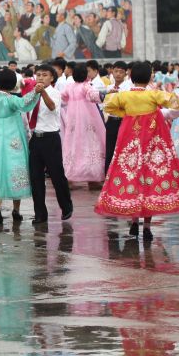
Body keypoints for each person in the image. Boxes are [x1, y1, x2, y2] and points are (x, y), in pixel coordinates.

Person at [96, 62, 179, 241]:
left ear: (131, 77)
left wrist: (125, 112)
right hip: (151, 142)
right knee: (150, 178)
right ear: (150, 76)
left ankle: (134, 222)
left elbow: (108, 105)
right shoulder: (153, 94)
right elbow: (174, 102)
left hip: (130, 141)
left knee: (131, 175)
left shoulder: (124, 96)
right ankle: (147, 227)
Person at [0, 69, 43, 223]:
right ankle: (16, 210)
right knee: (16, 169)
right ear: (13, 84)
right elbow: (24, 103)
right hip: (13, 140)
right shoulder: (11, 100)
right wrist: (36, 92)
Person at [28, 65, 73, 224]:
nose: (40, 78)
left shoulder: (55, 93)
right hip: (35, 138)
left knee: (56, 175)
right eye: (38, 75)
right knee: (35, 178)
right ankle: (40, 213)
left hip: (50, 138)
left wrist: (43, 92)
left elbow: (52, 107)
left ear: (52, 78)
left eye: (44, 75)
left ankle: (66, 206)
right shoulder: (32, 93)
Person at [61, 64, 106, 185]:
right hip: (88, 119)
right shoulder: (86, 86)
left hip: (73, 120)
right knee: (91, 143)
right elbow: (94, 96)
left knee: (73, 144)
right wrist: (106, 94)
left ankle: (70, 179)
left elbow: (63, 98)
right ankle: (93, 180)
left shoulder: (69, 87)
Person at [104, 61, 130, 175]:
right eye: (116, 71)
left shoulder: (128, 88)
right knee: (109, 148)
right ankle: (108, 175)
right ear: (112, 72)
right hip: (111, 120)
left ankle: (122, 174)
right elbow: (104, 105)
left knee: (123, 148)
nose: (118, 74)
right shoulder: (109, 87)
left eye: (121, 72)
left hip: (123, 121)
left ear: (126, 73)